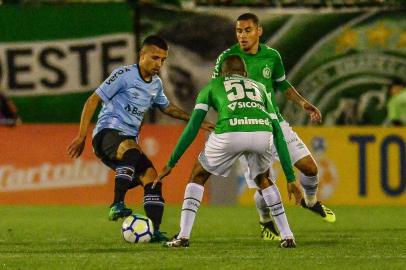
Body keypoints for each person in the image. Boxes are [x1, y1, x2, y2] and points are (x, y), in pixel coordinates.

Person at [67, 35, 214, 242]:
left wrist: (195, 121)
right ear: (141, 55)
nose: (159, 64)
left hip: (127, 141)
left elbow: (168, 108)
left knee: (153, 178)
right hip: (107, 133)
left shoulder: (155, 84)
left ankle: (153, 231)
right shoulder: (123, 75)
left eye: (162, 60)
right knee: (131, 149)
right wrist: (81, 135)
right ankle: (117, 204)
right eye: (154, 58)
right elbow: (93, 100)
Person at [154, 55, 302, 248]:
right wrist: (291, 178)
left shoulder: (212, 86)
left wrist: (171, 162)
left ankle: (183, 236)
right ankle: (288, 235)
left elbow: (193, 127)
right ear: (245, 74)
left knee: (198, 175)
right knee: (263, 179)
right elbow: (278, 132)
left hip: (230, 132)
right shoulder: (259, 88)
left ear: (222, 73)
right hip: (261, 133)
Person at [212, 13, 336, 241]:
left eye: (247, 30)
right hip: (248, 125)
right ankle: (265, 220)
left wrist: (303, 103)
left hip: (275, 121)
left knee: (310, 168)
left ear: (259, 31)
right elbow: (216, 91)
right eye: (239, 31)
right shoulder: (227, 58)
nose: (242, 35)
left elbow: (281, 84)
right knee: (264, 182)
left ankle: (310, 201)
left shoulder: (271, 56)